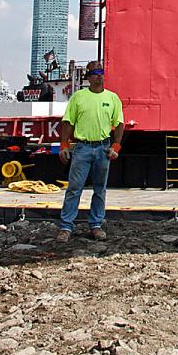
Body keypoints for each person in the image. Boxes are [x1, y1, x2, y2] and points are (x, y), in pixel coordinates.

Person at [56, 60, 124, 244]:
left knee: (100, 190)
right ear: (88, 76)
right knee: (74, 188)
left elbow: (119, 123)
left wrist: (116, 146)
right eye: (95, 72)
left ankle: (96, 225)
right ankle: (66, 227)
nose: (99, 75)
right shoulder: (79, 97)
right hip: (82, 148)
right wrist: (64, 145)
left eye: (101, 71)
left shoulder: (112, 98)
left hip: (103, 148)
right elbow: (68, 122)